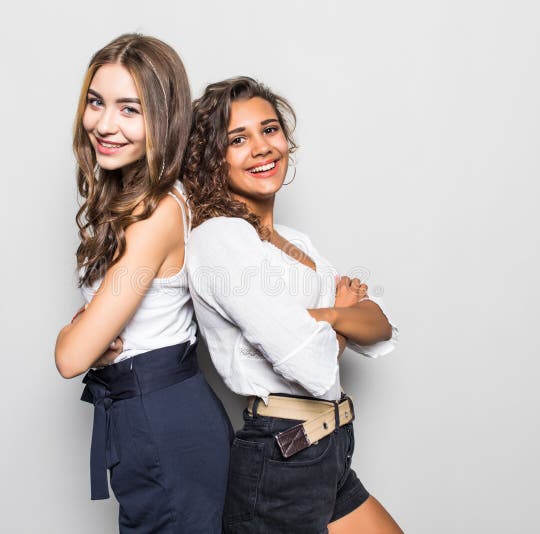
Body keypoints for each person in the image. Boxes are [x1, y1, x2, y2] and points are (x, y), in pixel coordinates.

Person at [183, 76, 403, 533]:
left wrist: (325, 317)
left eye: (270, 130)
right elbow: (311, 363)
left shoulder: (296, 242)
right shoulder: (219, 239)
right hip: (281, 459)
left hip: (329, 450)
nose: (262, 147)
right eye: (237, 139)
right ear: (211, 158)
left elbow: (381, 326)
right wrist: (341, 315)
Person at [54, 34, 232, 533]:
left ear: (163, 118)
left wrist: (71, 333)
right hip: (145, 418)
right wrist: (89, 328)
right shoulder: (132, 201)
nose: (104, 124)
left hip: (164, 424)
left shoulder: (155, 215)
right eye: (96, 101)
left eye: (128, 109)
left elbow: (72, 357)